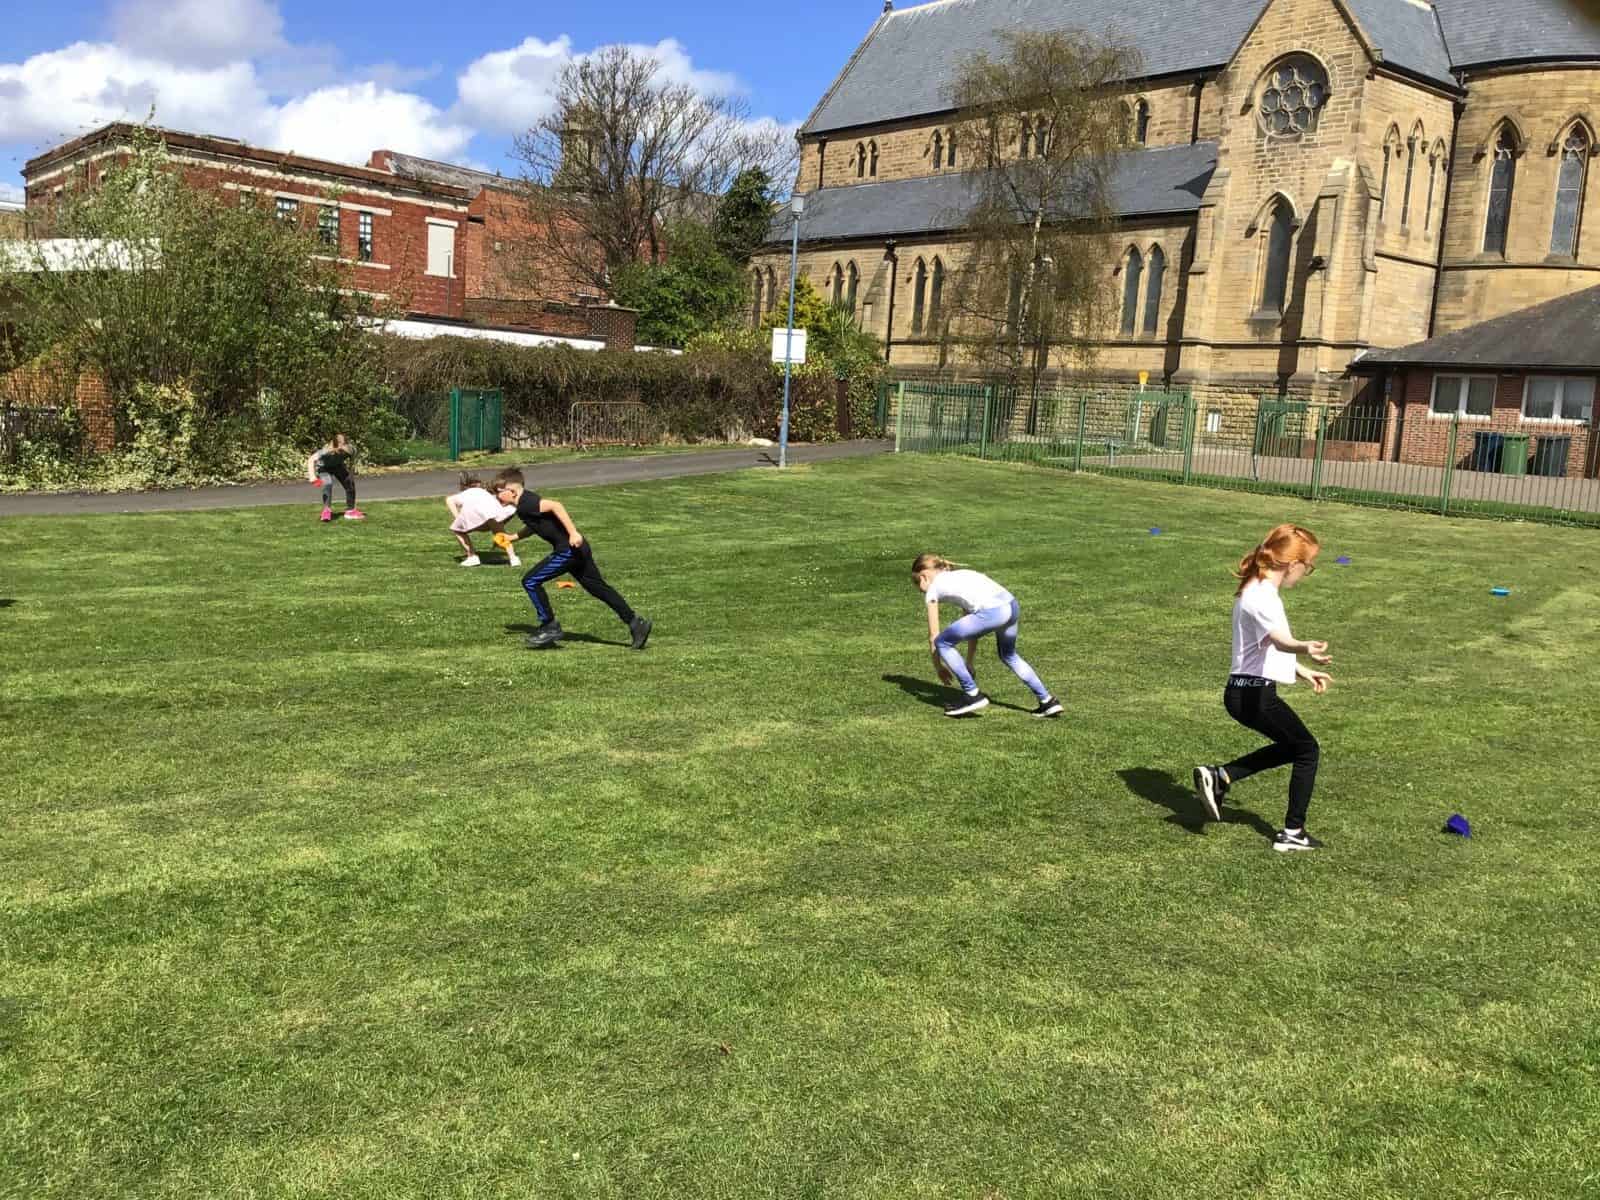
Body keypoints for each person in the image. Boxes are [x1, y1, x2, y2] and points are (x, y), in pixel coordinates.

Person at [1193, 523, 1333, 853]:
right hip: (1253, 696)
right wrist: (1303, 647)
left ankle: (1221, 776)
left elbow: (1263, 647)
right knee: (1308, 750)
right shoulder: (1262, 597)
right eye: (1308, 566)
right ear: (1292, 563)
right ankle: (1293, 833)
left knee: (1293, 746)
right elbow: (1280, 641)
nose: (1306, 573)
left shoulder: (1255, 589)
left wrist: (1302, 671)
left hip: (1245, 691)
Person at [491, 468, 652, 650]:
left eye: (498, 492)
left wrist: (573, 532)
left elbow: (556, 506)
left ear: (512, 491)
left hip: (568, 550)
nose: (496, 496)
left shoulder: (526, 503)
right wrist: (512, 537)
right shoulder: (525, 505)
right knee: (598, 588)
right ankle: (636, 623)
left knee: (530, 581)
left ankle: (549, 626)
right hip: (578, 549)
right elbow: (535, 524)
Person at [911, 553, 1062, 719]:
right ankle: (1048, 701)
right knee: (1009, 655)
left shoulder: (933, 589)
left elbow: (934, 635)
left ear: (924, 577)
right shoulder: (962, 575)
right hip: (1011, 606)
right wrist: (969, 662)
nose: (919, 589)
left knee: (943, 642)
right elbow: (972, 628)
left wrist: (938, 667)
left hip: (995, 612)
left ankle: (972, 695)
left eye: (917, 583)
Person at [445, 474, 519, 567]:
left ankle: (472, 556)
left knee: (457, 530)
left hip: (477, 514)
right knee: (500, 532)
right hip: (493, 515)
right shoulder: (486, 493)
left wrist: (458, 518)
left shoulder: (466, 493)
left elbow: (449, 500)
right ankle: (513, 558)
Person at [307, 433, 364, 521]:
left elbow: (352, 462)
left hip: (338, 466)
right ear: (334, 445)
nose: (342, 449)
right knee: (328, 483)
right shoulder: (326, 451)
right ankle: (326, 511)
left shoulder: (351, 450)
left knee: (350, 483)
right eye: (340, 446)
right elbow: (311, 460)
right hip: (324, 468)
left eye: (344, 445)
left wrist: (351, 474)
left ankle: (350, 511)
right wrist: (312, 477)